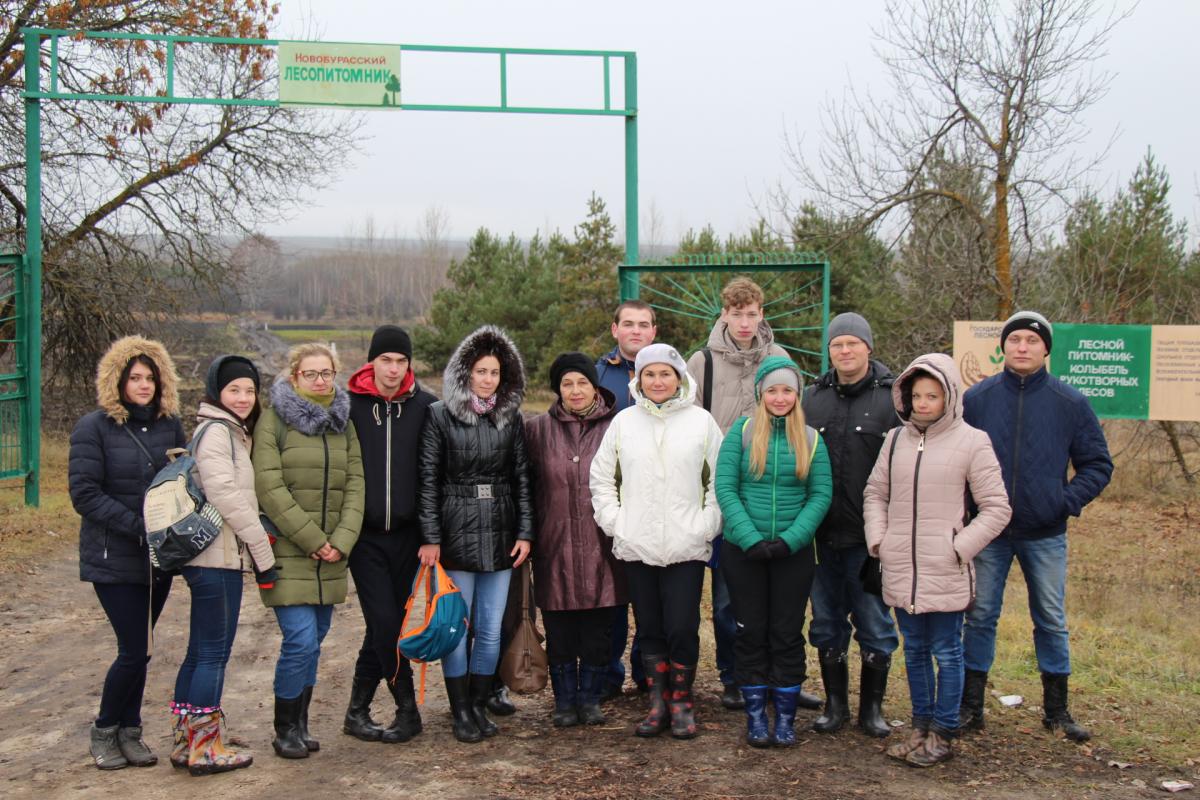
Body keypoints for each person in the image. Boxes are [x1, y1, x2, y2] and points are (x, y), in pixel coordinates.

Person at [960, 311, 1113, 742]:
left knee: (1049, 617)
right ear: (1003, 347)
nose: (1022, 347)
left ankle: (1057, 710)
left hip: (1045, 533)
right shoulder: (978, 399)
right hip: (988, 532)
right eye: (1015, 340)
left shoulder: (1070, 403)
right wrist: (968, 509)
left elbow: (1097, 465)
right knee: (981, 615)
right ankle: (971, 707)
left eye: (1031, 340)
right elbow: (956, 456)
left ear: (1046, 348)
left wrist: (1063, 502)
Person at [863, 353, 1011, 766]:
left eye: (933, 395)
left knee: (947, 650)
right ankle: (919, 726)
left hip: (945, 568)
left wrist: (959, 547)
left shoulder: (972, 441)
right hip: (901, 568)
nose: (924, 403)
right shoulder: (894, 441)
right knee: (914, 650)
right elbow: (875, 494)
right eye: (917, 396)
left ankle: (943, 733)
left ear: (950, 397)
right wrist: (880, 539)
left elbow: (997, 508)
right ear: (905, 397)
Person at [590, 342, 724, 740]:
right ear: (638, 379)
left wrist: (705, 525)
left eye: (665, 373)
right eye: (650, 374)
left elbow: (720, 479)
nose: (658, 380)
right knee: (648, 627)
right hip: (638, 544)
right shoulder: (624, 423)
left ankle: (682, 701)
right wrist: (617, 523)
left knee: (682, 626)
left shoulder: (701, 422)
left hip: (686, 544)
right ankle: (658, 701)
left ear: (679, 377)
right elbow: (601, 478)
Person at [70, 335, 186, 770]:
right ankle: (104, 731)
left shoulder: (169, 425)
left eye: (150, 378)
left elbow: (182, 480)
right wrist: (139, 527)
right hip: (112, 559)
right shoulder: (93, 427)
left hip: (159, 560)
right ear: (116, 380)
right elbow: (84, 493)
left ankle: (130, 732)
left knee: (145, 646)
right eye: (134, 377)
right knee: (134, 648)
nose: (143, 385)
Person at [417, 325, 534, 744]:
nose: (488, 379)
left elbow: (522, 477)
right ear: (465, 372)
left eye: (495, 372)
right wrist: (431, 537)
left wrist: (525, 531)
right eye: (481, 371)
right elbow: (428, 480)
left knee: (489, 627)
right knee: (456, 626)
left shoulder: (510, 417)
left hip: (501, 529)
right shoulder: (439, 415)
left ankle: (480, 703)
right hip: (456, 531)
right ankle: (460, 710)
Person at [253, 343, 365, 759]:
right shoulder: (274, 422)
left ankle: (300, 724)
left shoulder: (343, 423)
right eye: (311, 374)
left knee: (315, 640)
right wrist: (313, 540)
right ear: (294, 376)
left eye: (326, 373)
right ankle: (284, 729)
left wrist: (341, 540)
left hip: (333, 555)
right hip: (289, 550)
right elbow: (269, 487)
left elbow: (356, 483)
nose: (320, 381)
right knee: (299, 640)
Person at [715, 356, 833, 747]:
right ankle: (755, 717)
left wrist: (791, 540)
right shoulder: (742, 433)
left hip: (792, 554)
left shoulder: (812, 439)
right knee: (750, 631)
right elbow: (726, 488)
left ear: (797, 395)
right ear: (760, 394)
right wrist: (749, 538)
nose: (780, 398)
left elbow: (820, 495)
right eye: (772, 391)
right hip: (744, 552)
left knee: (786, 632)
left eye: (787, 390)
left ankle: (784, 717)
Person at [687, 276, 790, 711]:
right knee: (730, 597)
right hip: (723, 493)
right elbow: (689, 429)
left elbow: (793, 415)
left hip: (777, 493)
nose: (745, 322)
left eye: (752, 313)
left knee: (780, 598)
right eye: (737, 313)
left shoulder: (779, 357)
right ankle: (734, 675)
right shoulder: (702, 362)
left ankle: (777, 675)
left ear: (761, 314)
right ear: (724, 314)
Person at [171, 355, 277, 775]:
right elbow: (226, 498)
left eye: (250, 390)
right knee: (214, 652)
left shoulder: (226, 431)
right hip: (217, 559)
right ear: (218, 393)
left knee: (199, 651)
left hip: (212, 559)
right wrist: (261, 552)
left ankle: (186, 739)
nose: (244, 397)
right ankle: (205, 746)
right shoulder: (217, 432)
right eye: (235, 389)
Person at [801, 312, 901, 737]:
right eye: (837, 345)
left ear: (868, 348)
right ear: (829, 351)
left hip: (871, 539)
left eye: (853, 344)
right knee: (825, 622)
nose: (845, 351)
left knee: (875, 622)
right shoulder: (811, 399)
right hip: (821, 536)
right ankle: (835, 707)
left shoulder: (893, 398)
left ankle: (872, 712)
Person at [343, 326, 437, 745]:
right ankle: (407, 709)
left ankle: (356, 710)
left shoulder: (426, 406)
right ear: (371, 362)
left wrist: (432, 533)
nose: (394, 369)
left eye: (401, 361)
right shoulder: (348, 406)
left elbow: (434, 474)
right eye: (386, 360)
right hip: (363, 537)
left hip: (408, 537)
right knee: (384, 622)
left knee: (386, 626)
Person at [526, 352, 626, 728]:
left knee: (600, 629)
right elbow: (526, 487)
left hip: (603, 545)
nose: (575, 390)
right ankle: (564, 701)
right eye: (567, 383)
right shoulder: (536, 430)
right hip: (555, 543)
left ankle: (591, 698)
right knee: (561, 630)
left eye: (582, 382)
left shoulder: (617, 427)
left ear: (594, 385)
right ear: (557, 390)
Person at [595, 299, 657, 697]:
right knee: (613, 595)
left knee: (651, 597)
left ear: (654, 332)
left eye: (644, 325)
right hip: (612, 502)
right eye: (628, 324)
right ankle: (607, 674)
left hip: (658, 502)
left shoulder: (669, 374)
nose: (636, 331)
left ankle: (648, 671)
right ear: (615, 329)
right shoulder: (597, 375)